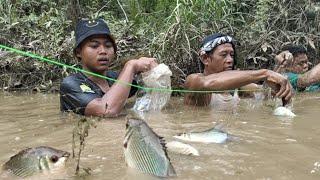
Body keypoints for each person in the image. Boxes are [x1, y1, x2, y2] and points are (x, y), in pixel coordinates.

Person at [60, 18, 157, 117]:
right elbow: (106, 110)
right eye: (94, 46)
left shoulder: (115, 77)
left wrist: (153, 72)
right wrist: (131, 65)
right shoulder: (70, 84)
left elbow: (144, 89)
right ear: (78, 52)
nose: (103, 51)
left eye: (108, 45)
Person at [184, 33, 293, 107]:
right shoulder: (194, 81)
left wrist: (280, 66)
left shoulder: (240, 87)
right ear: (205, 59)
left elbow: (265, 94)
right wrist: (265, 73)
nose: (230, 60)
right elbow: (209, 83)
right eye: (223, 55)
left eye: (232, 55)